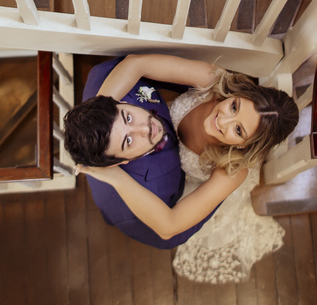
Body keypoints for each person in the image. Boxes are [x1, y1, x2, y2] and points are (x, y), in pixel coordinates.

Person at [69, 54, 298, 283]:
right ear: (236, 94)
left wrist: (116, 177)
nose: (223, 120)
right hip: (153, 133)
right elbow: (136, 63)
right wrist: (100, 119)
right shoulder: (213, 80)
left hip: (183, 184)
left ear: (244, 145)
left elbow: (169, 226)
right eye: (234, 106)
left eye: (238, 130)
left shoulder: (233, 171)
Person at [63, 54, 218, 249]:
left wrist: (200, 98)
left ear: (120, 103)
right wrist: (220, 189)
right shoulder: (133, 212)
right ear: (119, 162)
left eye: (128, 118)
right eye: (128, 141)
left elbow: (161, 73)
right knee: (109, 215)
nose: (145, 128)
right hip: (124, 206)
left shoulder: (104, 75)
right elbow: (171, 237)